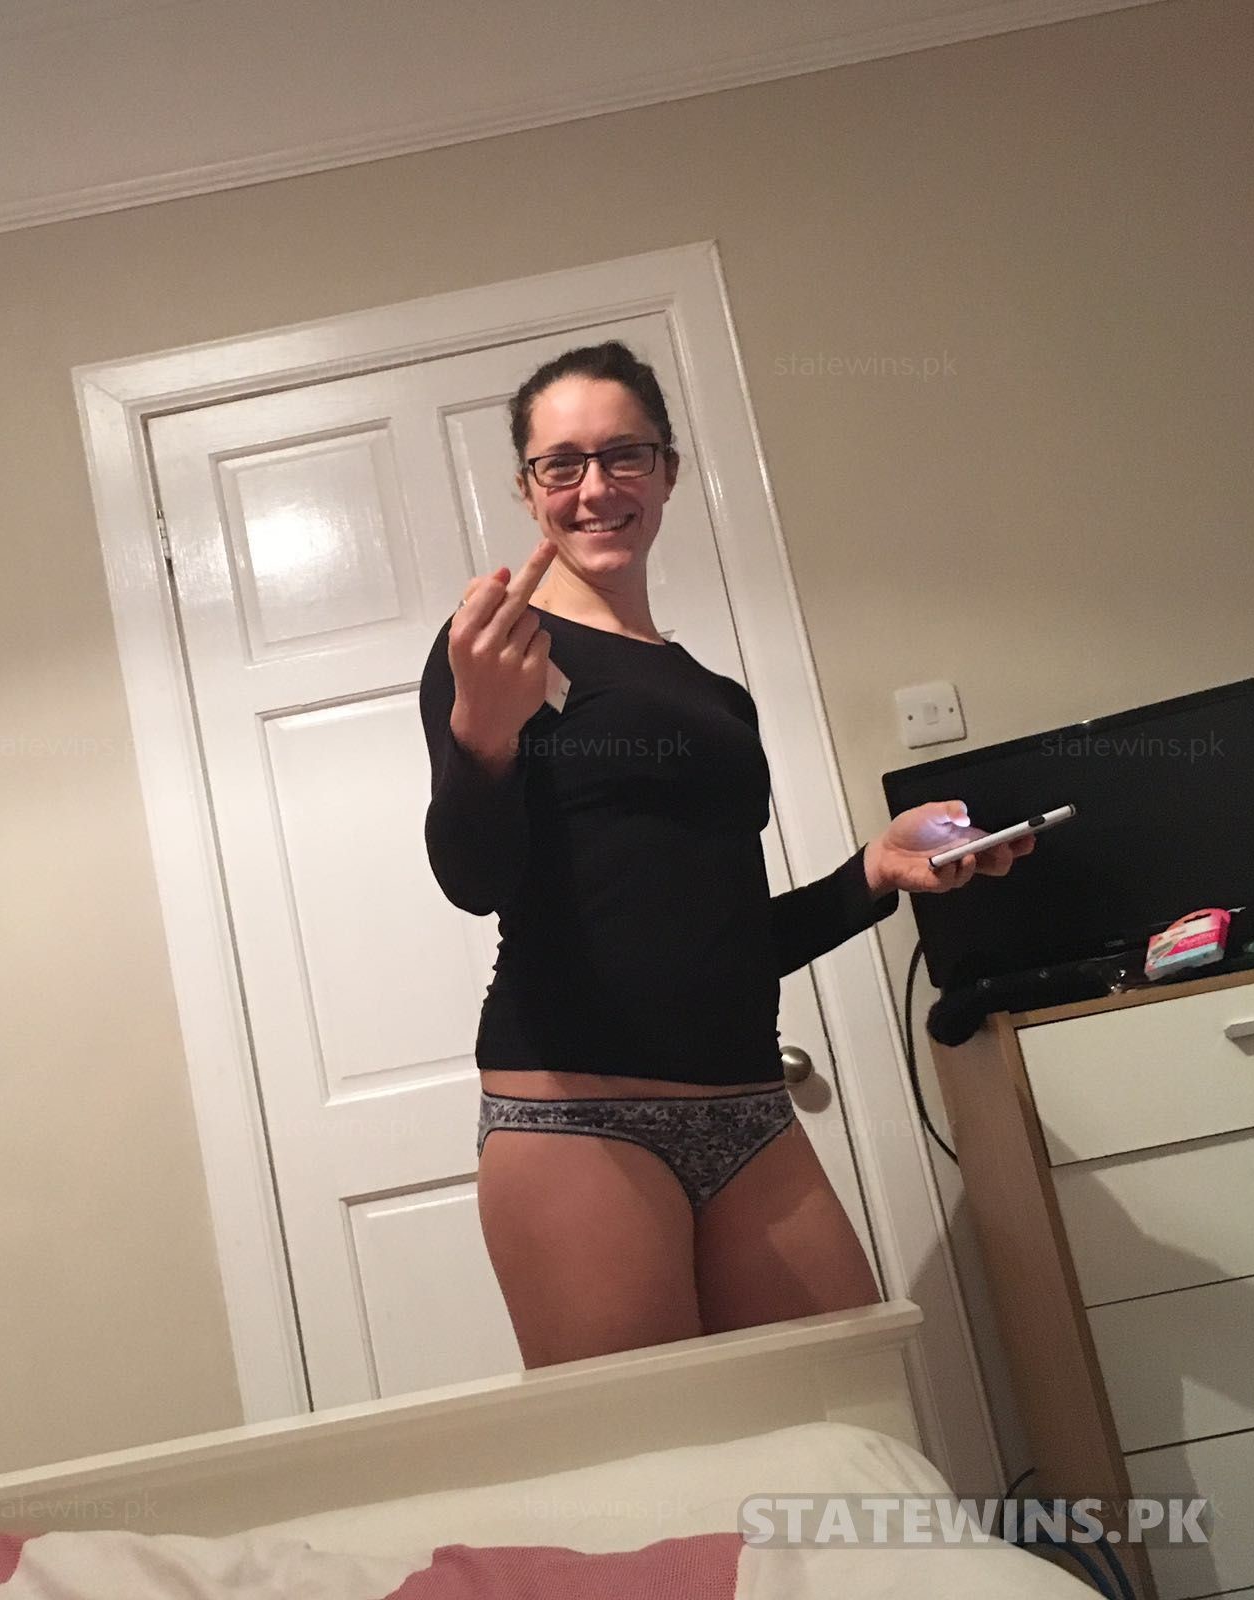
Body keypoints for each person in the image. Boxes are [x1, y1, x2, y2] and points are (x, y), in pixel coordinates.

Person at [418, 340, 1033, 1370]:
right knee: (656, 1453)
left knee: (850, 1406)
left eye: (624, 454)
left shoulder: (716, 698)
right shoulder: (496, 654)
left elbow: (723, 937)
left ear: (667, 469)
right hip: (574, 1118)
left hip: (749, 1112)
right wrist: (480, 735)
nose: (595, 488)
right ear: (526, 489)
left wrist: (872, 871)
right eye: (561, 463)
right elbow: (471, 883)